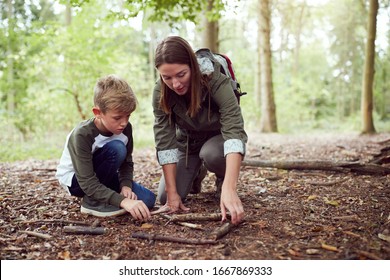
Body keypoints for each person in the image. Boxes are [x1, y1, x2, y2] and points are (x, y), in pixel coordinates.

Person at [152, 36, 248, 225]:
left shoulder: (216, 81)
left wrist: (230, 189)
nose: (176, 84)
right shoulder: (160, 92)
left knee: (211, 154)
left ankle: (223, 179)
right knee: (164, 197)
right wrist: (172, 194)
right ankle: (196, 173)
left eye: (181, 74)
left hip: (218, 141)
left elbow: (234, 133)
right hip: (188, 143)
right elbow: (165, 141)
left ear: (193, 67)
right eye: (167, 77)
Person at [56, 74, 155, 219]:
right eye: (117, 117)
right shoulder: (82, 135)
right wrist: (123, 201)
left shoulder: (126, 129)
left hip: (104, 176)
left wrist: (125, 186)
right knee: (117, 148)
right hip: (78, 181)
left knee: (147, 200)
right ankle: (91, 202)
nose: (124, 122)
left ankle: (104, 196)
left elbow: (126, 163)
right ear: (98, 113)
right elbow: (87, 182)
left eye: (128, 116)